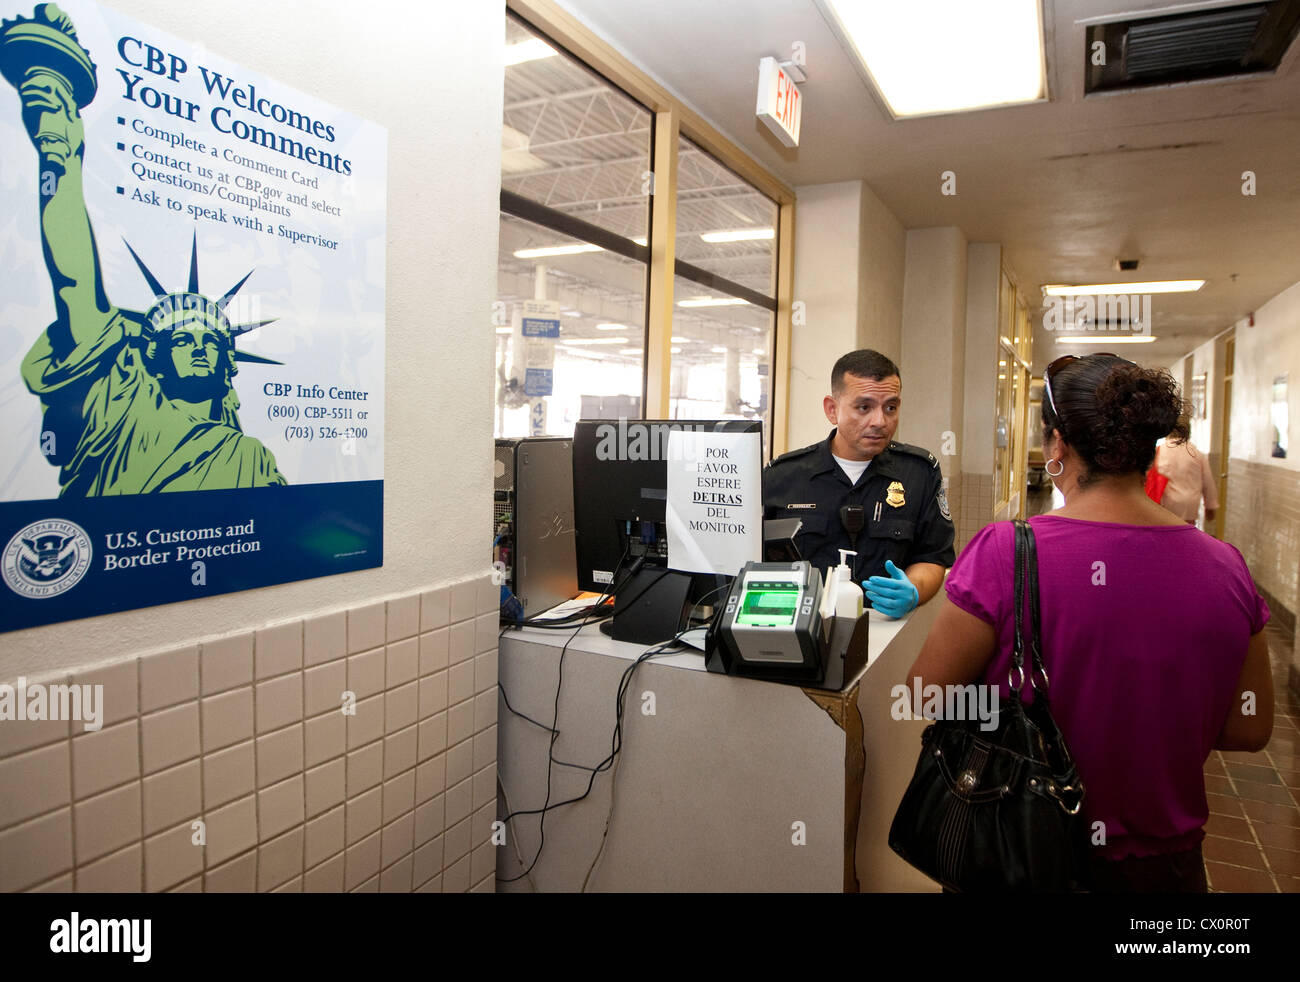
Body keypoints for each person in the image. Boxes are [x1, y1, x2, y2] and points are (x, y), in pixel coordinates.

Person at [907, 353, 1273, 892]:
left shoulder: (1006, 552)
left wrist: (1017, 700)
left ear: (1058, 446)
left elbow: (926, 696)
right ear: (1147, 448)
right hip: (1163, 869)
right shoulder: (1225, 567)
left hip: (1017, 849)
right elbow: (1250, 727)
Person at [10, 35, 285, 495]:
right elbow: (75, 283)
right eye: (182, 340)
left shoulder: (250, 457)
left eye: (210, 342)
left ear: (225, 362)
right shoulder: (124, 403)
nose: (199, 349)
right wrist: (62, 155)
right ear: (153, 359)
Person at [762, 349, 954, 619]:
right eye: (864, 407)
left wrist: (913, 589)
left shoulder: (919, 473)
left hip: (884, 635)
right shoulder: (782, 477)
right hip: (801, 632)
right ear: (832, 409)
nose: (880, 421)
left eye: (891, 407)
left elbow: (933, 557)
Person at [1153, 432, 1219, 526]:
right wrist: (1210, 506)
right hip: (1189, 506)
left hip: (1165, 504)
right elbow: (1208, 482)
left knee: (1165, 536)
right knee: (1186, 536)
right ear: (1188, 433)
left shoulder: (1159, 451)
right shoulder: (1197, 454)